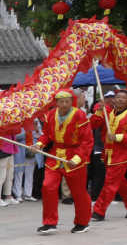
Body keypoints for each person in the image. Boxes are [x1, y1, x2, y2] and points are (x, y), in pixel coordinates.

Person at [35, 89, 93, 234]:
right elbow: (46, 135)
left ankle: (82, 222)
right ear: (56, 102)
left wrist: (77, 158)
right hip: (55, 155)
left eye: (67, 101)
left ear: (71, 101)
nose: (65, 104)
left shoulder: (79, 115)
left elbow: (87, 141)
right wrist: (38, 145)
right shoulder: (50, 115)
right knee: (48, 186)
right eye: (61, 101)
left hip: (74, 155)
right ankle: (49, 222)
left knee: (78, 192)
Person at [91, 89, 127, 221]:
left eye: (123, 98)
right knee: (119, 182)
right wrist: (99, 110)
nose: (120, 100)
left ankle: (99, 211)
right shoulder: (107, 113)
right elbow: (93, 124)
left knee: (110, 182)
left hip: (122, 154)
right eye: (118, 97)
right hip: (108, 152)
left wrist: (117, 137)